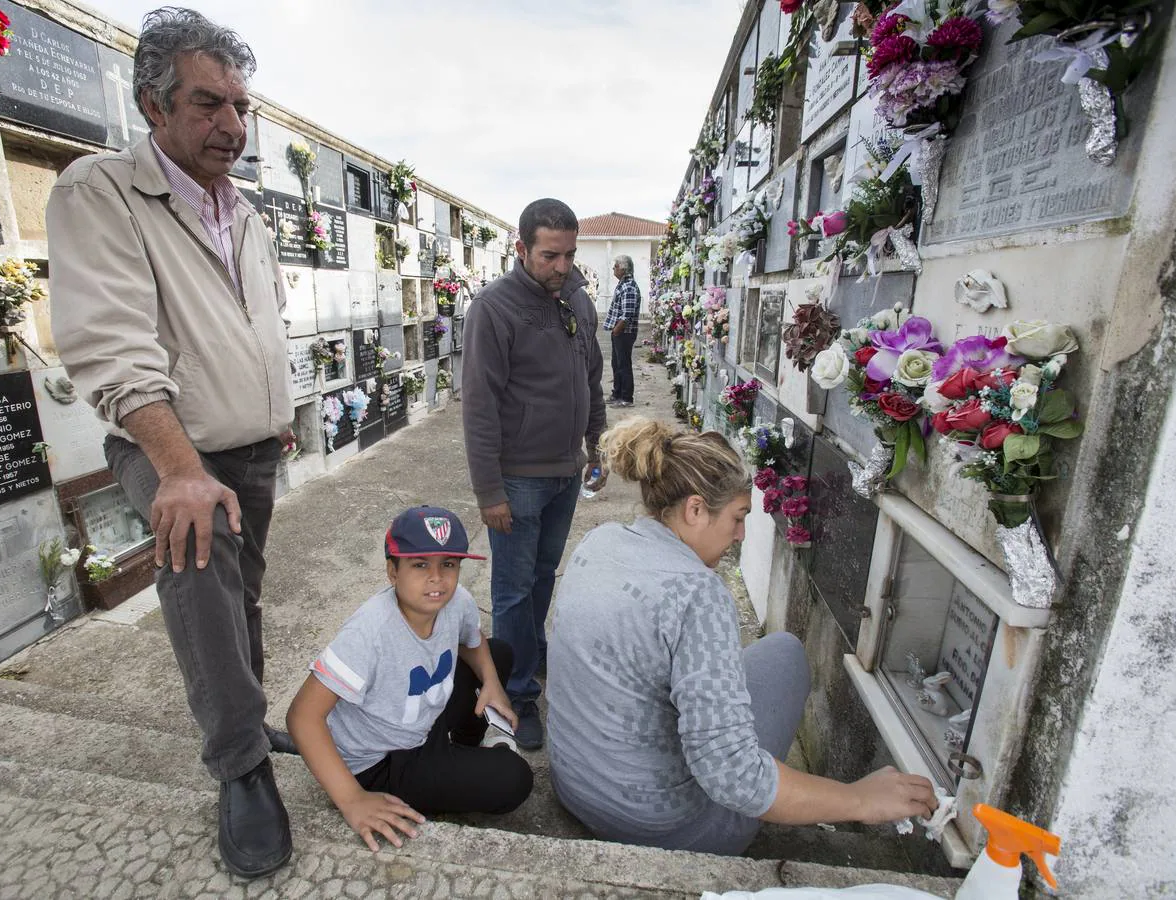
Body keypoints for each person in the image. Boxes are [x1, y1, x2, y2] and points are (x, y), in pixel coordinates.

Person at [47, 8, 294, 878]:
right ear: (154, 107)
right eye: (207, 104)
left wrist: (280, 407)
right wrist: (180, 470)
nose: (232, 125)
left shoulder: (248, 214)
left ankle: (250, 714)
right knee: (202, 585)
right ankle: (241, 767)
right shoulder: (101, 191)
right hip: (170, 445)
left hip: (253, 442)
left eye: (239, 105)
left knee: (246, 599)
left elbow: (262, 323)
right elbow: (112, 345)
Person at [546, 418, 939, 855]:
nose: (740, 536)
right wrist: (860, 800)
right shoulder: (696, 592)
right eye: (738, 517)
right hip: (660, 829)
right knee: (787, 655)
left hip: (576, 789)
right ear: (695, 510)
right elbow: (734, 779)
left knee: (765, 658)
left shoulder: (601, 540)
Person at [286, 507, 534, 851]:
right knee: (515, 778)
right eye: (420, 565)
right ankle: (452, 765)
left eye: (448, 564)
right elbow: (302, 717)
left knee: (499, 653)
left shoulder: (456, 600)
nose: (437, 578)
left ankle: (463, 748)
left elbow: (471, 642)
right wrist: (352, 799)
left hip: (422, 719)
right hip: (382, 759)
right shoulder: (369, 632)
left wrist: (491, 684)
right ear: (392, 571)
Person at [460, 198, 606, 750]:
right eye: (550, 255)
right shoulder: (494, 309)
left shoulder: (578, 301)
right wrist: (488, 491)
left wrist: (596, 446)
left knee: (544, 576)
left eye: (569, 255)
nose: (562, 267)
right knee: (514, 591)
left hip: (566, 471)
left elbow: (591, 380)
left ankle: (529, 656)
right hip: (517, 480)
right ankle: (516, 693)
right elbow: (479, 406)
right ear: (521, 250)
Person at [603, 255, 641, 407]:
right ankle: (617, 393)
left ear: (624, 268)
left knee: (623, 364)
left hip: (624, 332)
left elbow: (627, 314)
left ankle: (626, 397)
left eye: (616, 266)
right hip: (619, 332)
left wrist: (617, 330)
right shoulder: (623, 284)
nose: (614, 269)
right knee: (616, 363)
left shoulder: (629, 286)